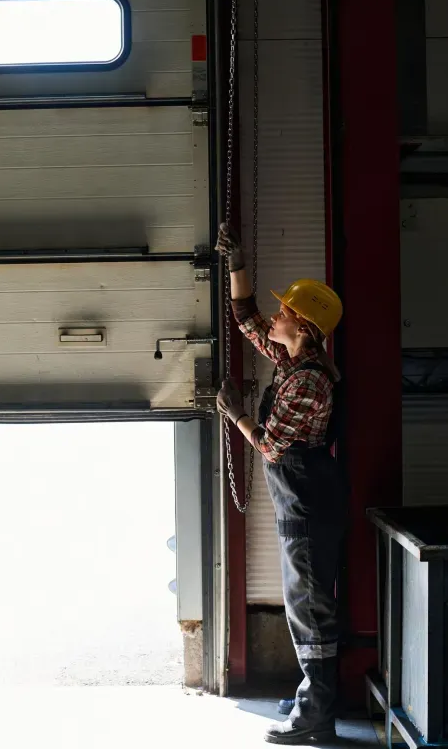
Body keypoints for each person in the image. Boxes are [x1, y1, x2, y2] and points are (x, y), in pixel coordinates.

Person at [215, 224, 348, 745]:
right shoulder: (294, 363)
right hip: (303, 500)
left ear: (305, 327)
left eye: (285, 312)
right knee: (303, 601)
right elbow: (246, 318)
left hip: (310, 504)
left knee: (310, 607)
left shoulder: (309, 380)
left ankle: (316, 717)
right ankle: (313, 699)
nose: (277, 315)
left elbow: (269, 446)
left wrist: (236, 414)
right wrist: (236, 265)